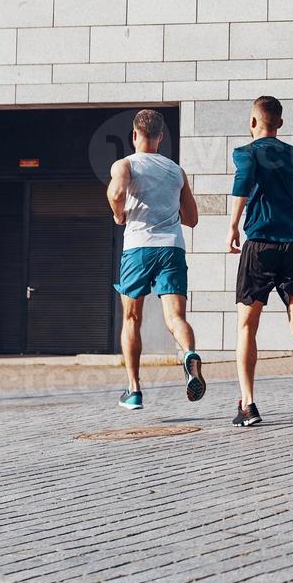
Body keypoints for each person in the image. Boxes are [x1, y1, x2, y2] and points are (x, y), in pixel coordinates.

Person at [228, 95, 293, 427]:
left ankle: (248, 404)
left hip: (260, 243)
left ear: (253, 122)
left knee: (247, 325)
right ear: (281, 124)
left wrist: (233, 225)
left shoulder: (246, 153)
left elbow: (243, 183)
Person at [106, 109, 203, 411]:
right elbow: (192, 218)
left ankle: (134, 390)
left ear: (134, 135)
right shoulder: (176, 171)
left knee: (132, 318)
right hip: (172, 248)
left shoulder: (125, 164)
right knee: (176, 318)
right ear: (161, 137)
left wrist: (118, 212)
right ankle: (189, 355)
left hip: (137, 248)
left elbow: (116, 191)